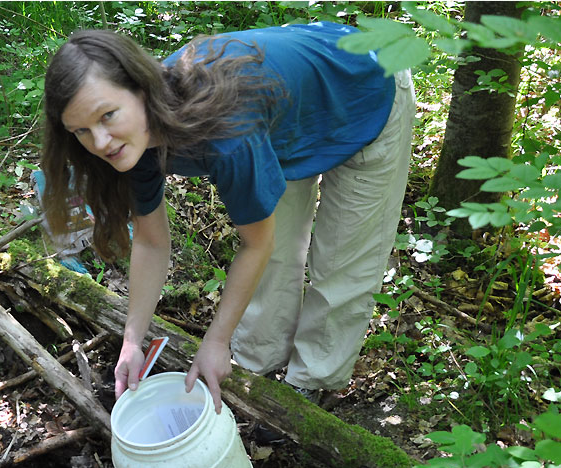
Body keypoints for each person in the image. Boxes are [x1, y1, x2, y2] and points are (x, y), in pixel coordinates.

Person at [42, 22, 415, 414]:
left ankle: (310, 384)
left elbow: (255, 243)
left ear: (142, 88)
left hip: (365, 87)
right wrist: (132, 342)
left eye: (107, 116)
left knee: (342, 261)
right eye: (81, 130)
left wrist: (215, 341)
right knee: (277, 252)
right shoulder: (129, 142)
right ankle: (256, 368)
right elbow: (151, 243)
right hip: (285, 115)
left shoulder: (227, 134)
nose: (100, 142)